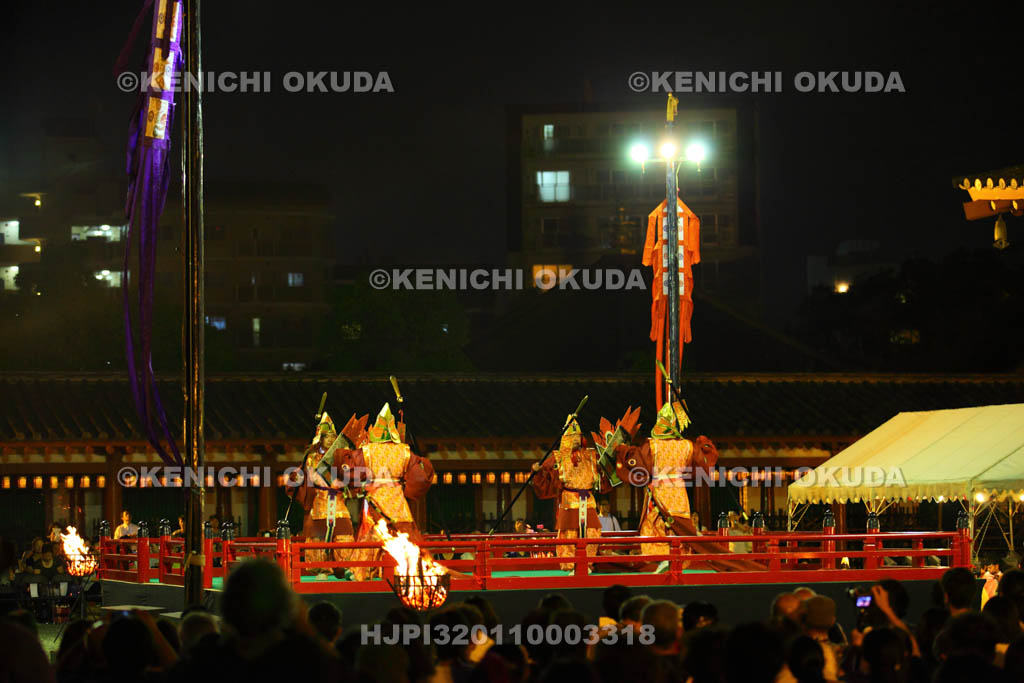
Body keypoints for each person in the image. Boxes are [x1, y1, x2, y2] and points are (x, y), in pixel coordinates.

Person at [612, 402, 764, 572]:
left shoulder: (652, 445)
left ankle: (663, 559)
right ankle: (675, 560)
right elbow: (702, 467)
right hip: (679, 495)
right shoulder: (687, 446)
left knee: (655, 525)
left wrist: (623, 451)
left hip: (660, 493)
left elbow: (638, 463)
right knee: (680, 529)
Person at [338, 403, 436, 580]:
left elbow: (349, 471)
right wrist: (407, 488)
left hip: (375, 498)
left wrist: (360, 484)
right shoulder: (404, 451)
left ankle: (361, 571)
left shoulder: (367, 451)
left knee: (371, 533)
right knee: (404, 532)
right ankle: (413, 571)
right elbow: (420, 475)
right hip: (397, 500)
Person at [287, 411, 365, 579]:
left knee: (344, 533)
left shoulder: (341, 456)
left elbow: (351, 474)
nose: (329, 439)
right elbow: (302, 477)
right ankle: (322, 568)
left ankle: (344, 567)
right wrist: (297, 478)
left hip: (337, 500)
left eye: (332, 436)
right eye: (326, 436)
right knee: (319, 537)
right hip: (319, 502)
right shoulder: (311, 458)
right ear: (319, 438)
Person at [531, 415, 615, 571]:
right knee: (569, 534)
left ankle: (587, 564)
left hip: (588, 499)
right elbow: (545, 475)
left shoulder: (590, 455)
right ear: (565, 438)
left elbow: (605, 470)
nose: (576, 439)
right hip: (569, 499)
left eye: (578, 436)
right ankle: (570, 565)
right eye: (572, 436)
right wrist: (537, 471)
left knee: (592, 532)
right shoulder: (558, 457)